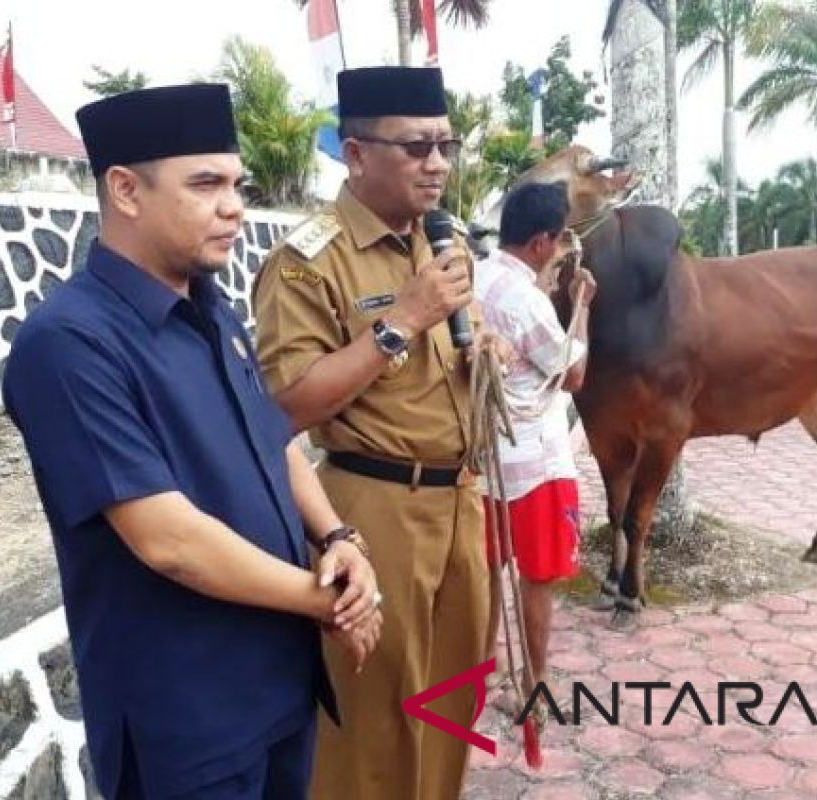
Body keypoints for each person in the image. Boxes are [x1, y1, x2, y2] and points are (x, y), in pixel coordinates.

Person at [2, 84, 382, 800]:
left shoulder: (212, 309)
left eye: (237, 184)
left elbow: (274, 443)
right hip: (187, 720)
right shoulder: (69, 345)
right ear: (125, 190)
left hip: (278, 689)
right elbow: (168, 541)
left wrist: (339, 536)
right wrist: (327, 601)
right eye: (206, 184)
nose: (234, 205)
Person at [252, 66, 496, 800]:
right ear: (356, 154)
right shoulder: (306, 263)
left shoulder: (442, 243)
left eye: (445, 145)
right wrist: (401, 323)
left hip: (459, 504)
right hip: (373, 510)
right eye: (416, 147)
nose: (438, 165)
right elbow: (285, 407)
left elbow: (451, 362)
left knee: (453, 704)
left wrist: (486, 351)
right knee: (371, 725)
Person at [474, 181, 596, 700]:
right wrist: (581, 305)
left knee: (483, 576)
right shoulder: (529, 301)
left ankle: (479, 675)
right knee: (536, 577)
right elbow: (574, 376)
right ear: (543, 242)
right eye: (563, 238)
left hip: (478, 465)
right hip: (532, 466)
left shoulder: (472, 277)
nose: (566, 246)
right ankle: (533, 684)